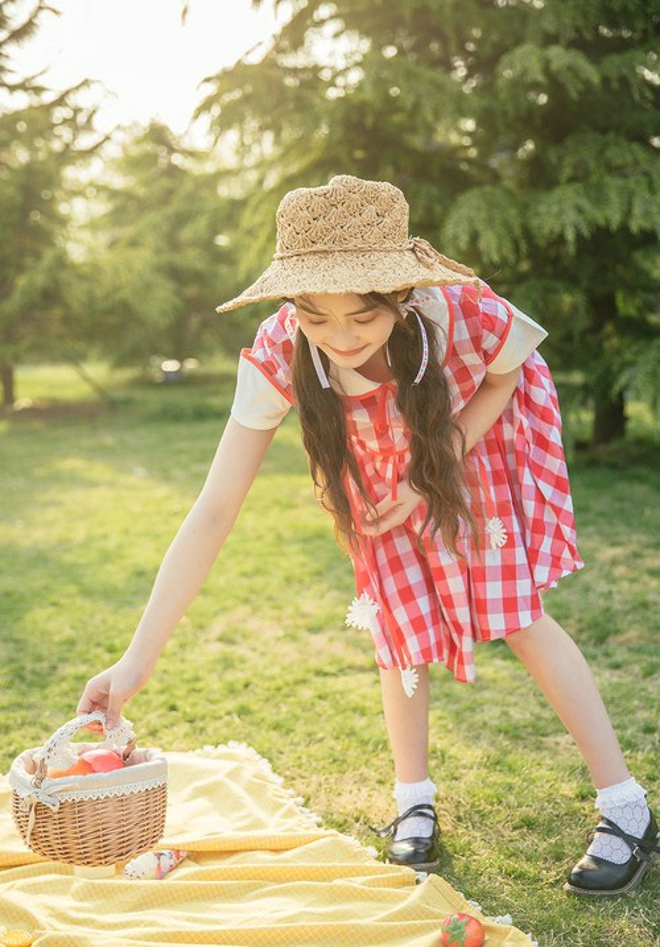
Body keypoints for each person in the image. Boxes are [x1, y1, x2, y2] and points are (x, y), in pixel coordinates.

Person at [76, 174, 658, 897]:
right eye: (316, 318)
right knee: (398, 622)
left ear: (401, 295)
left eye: (362, 316)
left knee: (515, 615)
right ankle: (414, 799)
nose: (343, 339)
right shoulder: (278, 353)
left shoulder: (457, 310)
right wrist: (135, 662)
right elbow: (215, 510)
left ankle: (626, 809)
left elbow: (505, 377)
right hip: (375, 468)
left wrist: (432, 470)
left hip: (468, 439)